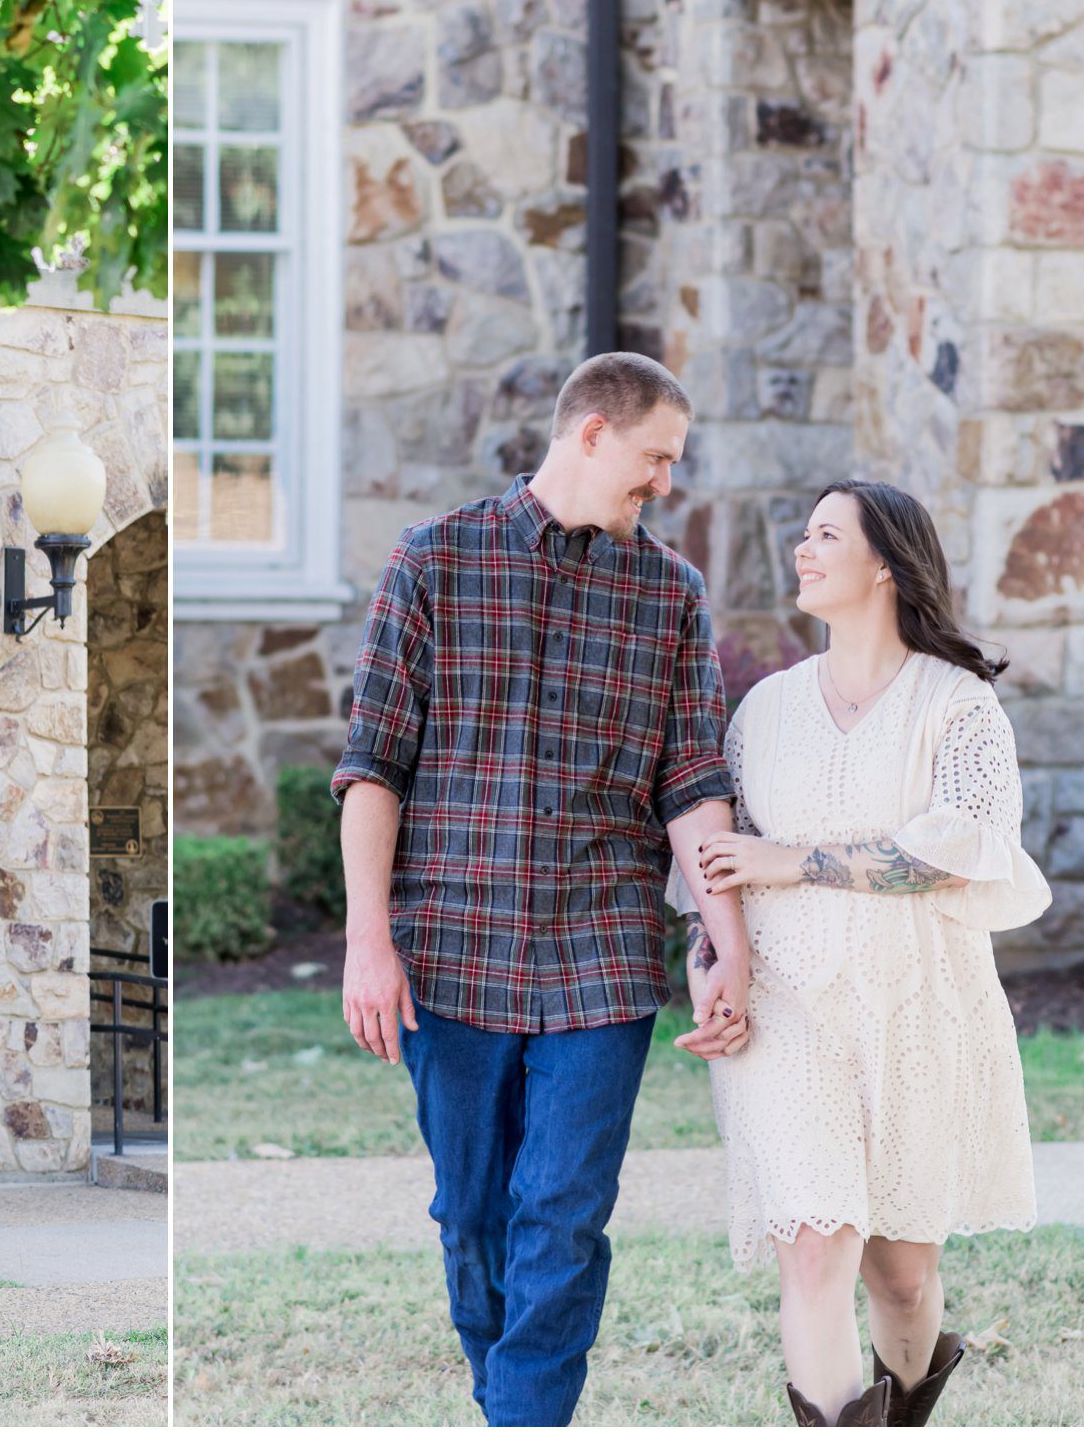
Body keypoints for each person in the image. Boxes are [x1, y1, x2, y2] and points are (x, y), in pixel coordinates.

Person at [334, 351, 754, 1428]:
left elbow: (692, 782)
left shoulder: (669, 594)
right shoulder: (434, 560)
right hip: (451, 954)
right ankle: (505, 1405)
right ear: (590, 433)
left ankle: (526, 1419)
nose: (663, 481)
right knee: (471, 1216)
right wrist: (365, 939)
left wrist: (726, 942)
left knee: (562, 1215)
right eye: (654, 456)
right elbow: (372, 765)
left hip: (602, 957)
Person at [677, 480, 1049, 1427]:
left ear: (885, 561)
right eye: (802, 534)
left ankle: (909, 1406)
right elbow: (714, 871)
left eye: (826, 535)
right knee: (814, 1244)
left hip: (920, 1004)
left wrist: (789, 860)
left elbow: (951, 851)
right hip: (788, 1008)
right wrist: (708, 968)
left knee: (902, 1276)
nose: (802, 550)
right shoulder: (763, 709)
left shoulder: (958, 707)